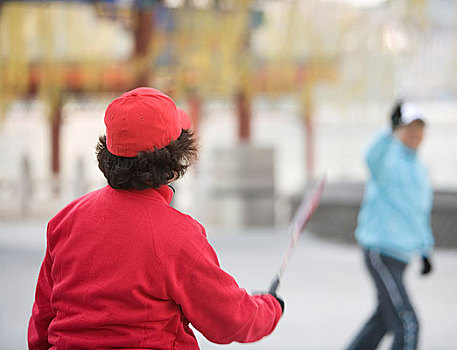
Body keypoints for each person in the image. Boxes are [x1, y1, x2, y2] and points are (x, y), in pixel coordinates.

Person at [28, 87, 284, 349]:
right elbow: (230, 320)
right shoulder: (179, 236)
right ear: (173, 161)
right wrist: (270, 306)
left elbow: (41, 323)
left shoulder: (65, 221)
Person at [345, 101, 434, 350]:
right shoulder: (387, 158)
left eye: (420, 128)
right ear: (399, 129)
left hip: (403, 255)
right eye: (409, 127)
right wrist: (388, 130)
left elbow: (419, 213)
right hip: (380, 250)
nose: (415, 133)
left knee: (384, 318)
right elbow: (370, 157)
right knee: (408, 324)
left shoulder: (420, 168)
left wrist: (426, 250)